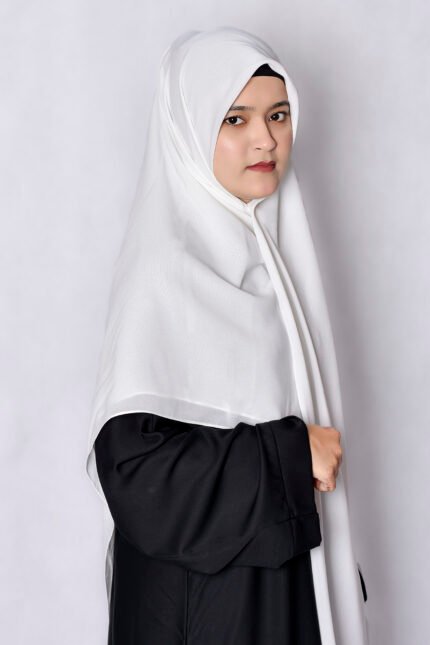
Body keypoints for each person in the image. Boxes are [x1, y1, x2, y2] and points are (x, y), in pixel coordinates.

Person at [86, 26, 368, 644]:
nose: (265, 138)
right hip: (204, 612)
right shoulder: (163, 273)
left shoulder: (276, 265)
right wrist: (291, 454)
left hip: (273, 589)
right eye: (234, 118)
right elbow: (134, 474)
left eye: (278, 115)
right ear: (189, 130)